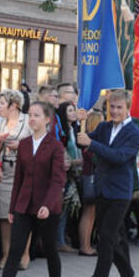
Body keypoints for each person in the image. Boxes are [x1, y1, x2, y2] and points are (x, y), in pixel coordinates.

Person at [0, 101, 67, 277]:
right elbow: (19, 178)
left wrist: (48, 204)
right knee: (14, 251)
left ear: (47, 120)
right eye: (30, 115)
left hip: (47, 207)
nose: (32, 119)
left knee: (49, 251)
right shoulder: (25, 144)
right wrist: (12, 207)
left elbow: (58, 180)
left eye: (37, 115)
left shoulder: (55, 146)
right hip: (24, 205)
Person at [77, 90, 139, 277]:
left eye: (119, 108)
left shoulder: (135, 133)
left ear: (127, 109)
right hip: (102, 190)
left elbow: (119, 157)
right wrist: (81, 123)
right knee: (114, 239)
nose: (114, 111)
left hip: (120, 193)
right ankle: (128, 276)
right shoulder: (104, 127)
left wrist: (91, 143)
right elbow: (83, 143)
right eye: (111, 107)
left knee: (105, 238)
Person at [0, 90, 32, 269]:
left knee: (22, 214)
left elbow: (38, 142)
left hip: (23, 171)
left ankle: (24, 254)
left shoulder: (28, 120)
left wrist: (21, 146)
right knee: (4, 215)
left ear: (13, 105)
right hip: (4, 172)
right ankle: (7, 255)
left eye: (2, 103)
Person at [56, 101, 82, 253]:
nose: (73, 113)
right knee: (63, 208)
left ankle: (62, 238)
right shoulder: (63, 132)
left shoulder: (74, 129)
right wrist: (74, 161)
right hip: (66, 171)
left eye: (74, 110)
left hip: (74, 172)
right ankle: (59, 241)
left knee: (68, 208)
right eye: (70, 110)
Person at [78, 111, 105, 257]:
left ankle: (87, 244)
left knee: (92, 213)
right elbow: (92, 157)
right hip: (91, 176)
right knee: (89, 212)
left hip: (92, 175)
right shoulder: (87, 138)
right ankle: (85, 245)